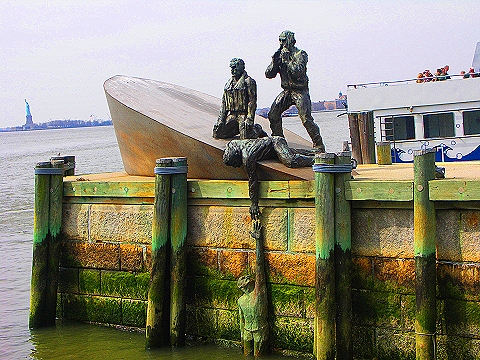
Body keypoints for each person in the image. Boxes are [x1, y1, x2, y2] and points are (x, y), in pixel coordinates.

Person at [223, 136, 314, 219]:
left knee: (290, 161)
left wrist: (254, 204)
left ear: (236, 155)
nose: (236, 167)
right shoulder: (233, 145)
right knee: (290, 153)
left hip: (275, 142)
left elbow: (253, 180)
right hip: (271, 148)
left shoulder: (247, 157)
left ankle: (316, 159)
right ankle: (314, 153)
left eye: (234, 164)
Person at [265, 30, 325, 152]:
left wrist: (287, 61)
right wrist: (275, 61)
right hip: (287, 91)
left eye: (284, 40)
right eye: (280, 40)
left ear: (291, 41)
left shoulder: (301, 54)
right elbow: (269, 74)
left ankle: (319, 145)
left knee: (306, 119)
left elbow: (299, 72)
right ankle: (279, 141)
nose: (282, 43)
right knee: (273, 114)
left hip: (300, 91)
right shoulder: (280, 55)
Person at [237, 219, 269, 357]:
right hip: (246, 331)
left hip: (259, 330)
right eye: (244, 278)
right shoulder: (241, 301)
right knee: (246, 355)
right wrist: (242, 337)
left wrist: (258, 241)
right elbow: (241, 320)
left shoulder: (258, 293)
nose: (247, 277)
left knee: (259, 356)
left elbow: (259, 266)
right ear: (242, 286)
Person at [213, 58, 265, 139]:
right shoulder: (228, 84)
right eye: (231, 68)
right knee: (218, 132)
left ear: (241, 67)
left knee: (245, 137)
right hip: (232, 114)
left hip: (243, 114)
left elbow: (252, 102)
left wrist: (249, 118)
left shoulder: (249, 81)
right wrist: (221, 120)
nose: (232, 70)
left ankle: (257, 129)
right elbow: (224, 103)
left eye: (234, 67)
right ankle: (238, 129)